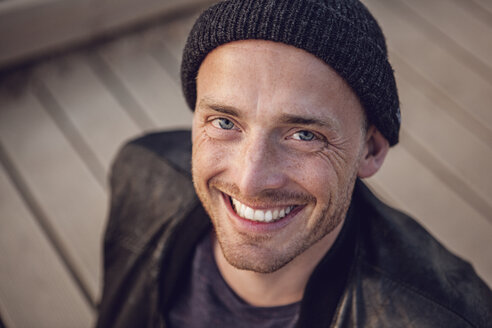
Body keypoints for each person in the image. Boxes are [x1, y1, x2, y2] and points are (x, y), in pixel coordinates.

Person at [96, 0, 492, 327]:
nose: (250, 180)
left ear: (369, 150)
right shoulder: (143, 171)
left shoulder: (446, 318)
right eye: (224, 123)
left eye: (304, 135)